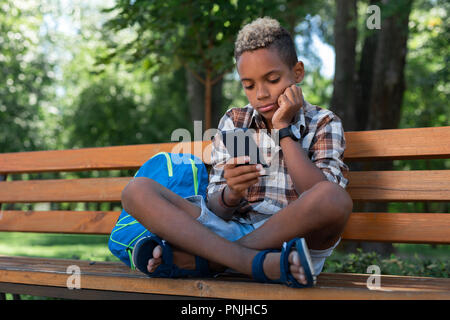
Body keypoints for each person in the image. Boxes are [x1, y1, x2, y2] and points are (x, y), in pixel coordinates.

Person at [121, 17, 352, 287]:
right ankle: (250, 263)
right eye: (249, 85)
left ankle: (208, 262)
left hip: (294, 242)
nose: (261, 94)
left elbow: (318, 196)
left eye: (273, 79)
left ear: (297, 72)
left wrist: (283, 130)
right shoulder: (238, 122)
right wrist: (231, 194)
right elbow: (219, 211)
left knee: (334, 197)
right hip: (230, 232)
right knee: (136, 190)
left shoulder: (322, 122)